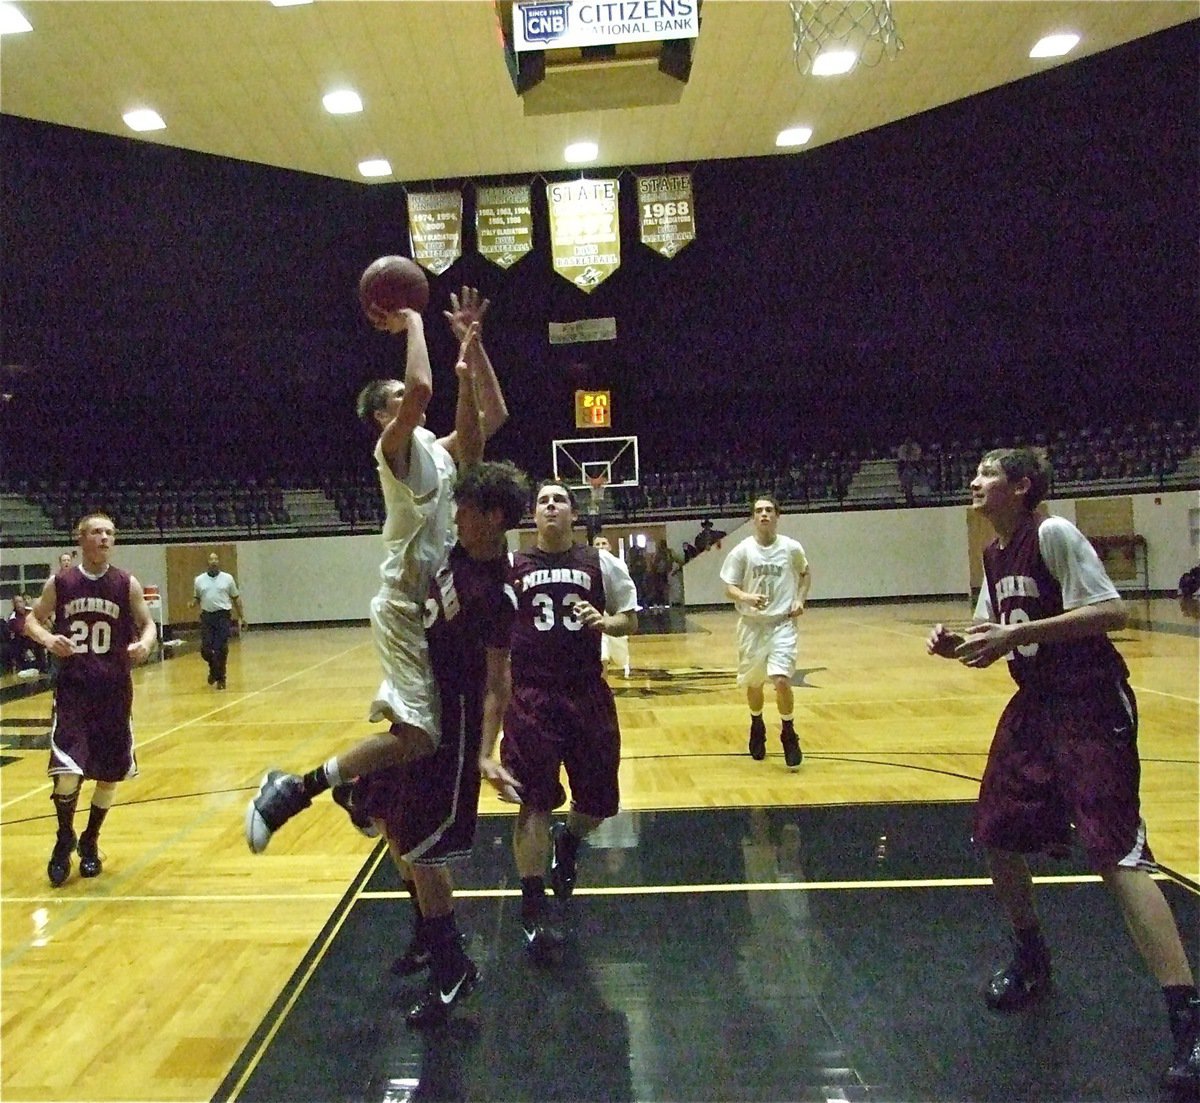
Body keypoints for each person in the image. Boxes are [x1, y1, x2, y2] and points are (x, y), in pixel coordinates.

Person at [927, 447, 1198, 1094]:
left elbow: (1111, 612)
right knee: (996, 832)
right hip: (1037, 706)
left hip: (1089, 702)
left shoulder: (1052, 533)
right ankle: (1032, 957)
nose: (975, 480)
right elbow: (993, 637)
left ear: (1021, 486)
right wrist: (960, 643)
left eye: (989, 472)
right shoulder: (994, 555)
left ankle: (1187, 1019)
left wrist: (1013, 638)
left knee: (1115, 853)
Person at [244, 286, 506, 854]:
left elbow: (491, 418)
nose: (410, 396)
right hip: (405, 605)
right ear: (384, 414)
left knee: (430, 739)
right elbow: (420, 387)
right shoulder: (395, 446)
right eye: (396, 395)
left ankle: (365, 790)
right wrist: (413, 320)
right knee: (420, 735)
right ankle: (294, 788)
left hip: (436, 607)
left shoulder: (436, 449)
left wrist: (473, 349)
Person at [348, 460, 528, 1027]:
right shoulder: (452, 551)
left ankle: (450, 964)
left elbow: (499, 682)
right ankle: (431, 939)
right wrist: (470, 368)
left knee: (424, 848)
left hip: (452, 727)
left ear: (493, 519)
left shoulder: (499, 590)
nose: (456, 515)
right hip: (417, 711)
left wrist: (486, 751)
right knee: (378, 813)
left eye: (467, 510)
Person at [499, 481, 638, 959]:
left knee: (598, 804)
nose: (551, 506)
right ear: (533, 516)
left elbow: (629, 618)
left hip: (586, 691)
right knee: (532, 801)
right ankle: (532, 905)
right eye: (543, 501)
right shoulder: (511, 566)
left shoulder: (602, 563)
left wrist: (605, 622)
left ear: (573, 514)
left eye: (560, 500)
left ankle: (571, 840)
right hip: (532, 695)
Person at [22, 513, 158, 886]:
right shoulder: (62, 582)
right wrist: (49, 640)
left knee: (109, 775)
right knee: (66, 776)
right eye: (97, 532)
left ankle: (91, 839)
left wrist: (145, 644)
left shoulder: (125, 583)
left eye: (110, 533)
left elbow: (147, 625)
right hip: (74, 690)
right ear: (81, 538)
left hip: (114, 691)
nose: (104, 538)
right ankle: (64, 837)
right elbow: (32, 620)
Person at [719, 496, 810, 769]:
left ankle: (788, 731)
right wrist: (745, 596)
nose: (764, 515)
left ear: (777, 516)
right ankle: (757, 723)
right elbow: (728, 586)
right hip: (751, 626)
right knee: (755, 684)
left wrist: (800, 599)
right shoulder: (742, 551)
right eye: (759, 511)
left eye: (769, 510)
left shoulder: (791, 548)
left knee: (781, 680)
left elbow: (805, 573)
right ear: (753, 518)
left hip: (782, 623)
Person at [189, 552, 245, 690]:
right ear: (207, 562)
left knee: (221, 648)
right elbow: (197, 597)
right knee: (205, 649)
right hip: (207, 616)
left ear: (218, 561)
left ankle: (221, 678)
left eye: (216, 558)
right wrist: (192, 603)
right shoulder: (199, 580)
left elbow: (236, 598)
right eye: (211, 559)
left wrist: (242, 616)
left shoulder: (227, 578)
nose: (214, 561)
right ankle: (214, 670)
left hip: (223, 616)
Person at [592, 535, 631, 676]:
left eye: (604, 543)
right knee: (602, 654)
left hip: (615, 614)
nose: (601, 546)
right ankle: (601, 684)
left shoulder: (619, 565)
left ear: (610, 547)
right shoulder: (588, 565)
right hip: (596, 613)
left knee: (620, 654)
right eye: (597, 544)